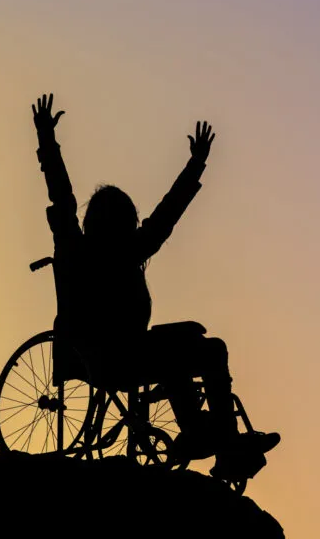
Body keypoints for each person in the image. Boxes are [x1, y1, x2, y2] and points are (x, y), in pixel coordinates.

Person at [30, 93, 279, 474]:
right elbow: (63, 197)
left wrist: (195, 166)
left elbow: (164, 217)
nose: (132, 227)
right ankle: (206, 436)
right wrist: (47, 141)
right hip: (103, 356)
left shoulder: (126, 251)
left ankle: (224, 444)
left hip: (132, 351)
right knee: (180, 352)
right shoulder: (78, 250)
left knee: (209, 348)